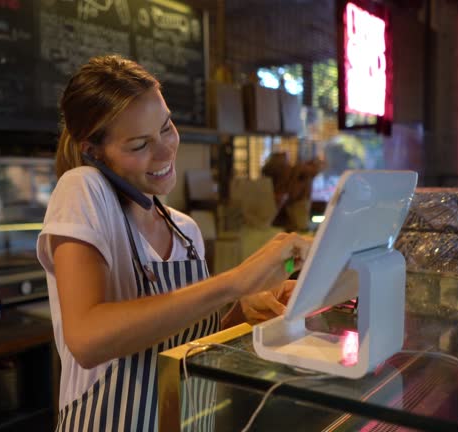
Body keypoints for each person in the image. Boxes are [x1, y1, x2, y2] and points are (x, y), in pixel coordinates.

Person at [36, 55, 311, 432]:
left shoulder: (185, 230)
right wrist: (235, 282)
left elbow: (190, 350)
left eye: (166, 127)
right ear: (92, 151)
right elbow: (87, 338)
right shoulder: (83, 189)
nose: (165, 151)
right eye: (138, 145)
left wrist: (244, 312)